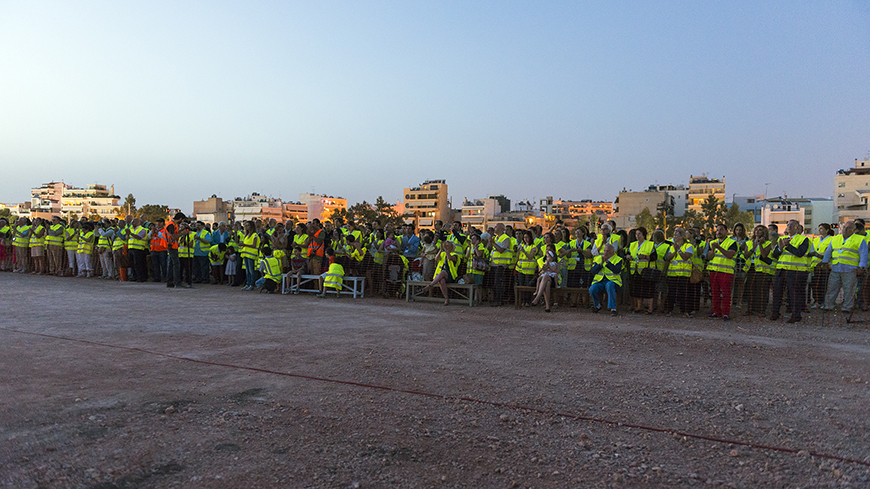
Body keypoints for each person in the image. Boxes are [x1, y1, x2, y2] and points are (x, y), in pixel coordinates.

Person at [822, 221, 867, 313]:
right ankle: (828, 305)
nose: (845, 230)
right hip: (835, 267)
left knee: (849, 289)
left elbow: (864, 254)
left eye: (848, 228)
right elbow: (828, 251)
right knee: (832, 287)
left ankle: (847, 307)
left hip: (850, 269)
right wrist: (825, 262)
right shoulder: (835, 238)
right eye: (844, 227)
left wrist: (861, 267)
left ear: (854, 230)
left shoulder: (859, 239)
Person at [770, 219, 811, 323]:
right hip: (781, 270)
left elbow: (800, 253)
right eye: (788, 225)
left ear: (798, 228)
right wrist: (780, 248)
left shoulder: (803, 240)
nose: (789, 226)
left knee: (794, 294)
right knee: (777, 293)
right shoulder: (782, 238)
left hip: (795, 271)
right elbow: (774, 254)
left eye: (792, 225)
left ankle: (795, 315)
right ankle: (775, 313)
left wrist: (787, 246)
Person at [706, 223, 738, 320]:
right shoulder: (713, 242)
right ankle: (716, 312)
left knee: (726, 293)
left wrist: (719, 248)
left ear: (726, 231)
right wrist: (713, 248)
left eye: (721, 230)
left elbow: (730, 255)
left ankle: (726, 313)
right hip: (714, 271)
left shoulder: (732, 242)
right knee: (714, 293)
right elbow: (709, 256)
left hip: (726, 271)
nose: (718, 232)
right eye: (717, 230)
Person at [744, 225, 774, 318]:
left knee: (762, 291)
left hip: (762, 270)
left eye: (760, 230)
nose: (757, 231)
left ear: (764, 232)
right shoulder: (749, 242)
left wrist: (760, 244)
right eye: (756, 229)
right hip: (751, 268)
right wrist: (753, 247)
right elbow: (746, 255)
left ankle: (761, 310)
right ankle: (750, 309)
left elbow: (764, 255)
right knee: (751, 289)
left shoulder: (768, 243)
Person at [664, 227, 693, 317]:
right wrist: (674, 251)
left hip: (684, 274)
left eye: (677, 233)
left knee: (683, 293)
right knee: (671, 293)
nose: (675, 235)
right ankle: (669, 310)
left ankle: (685, 311)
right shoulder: (672, 246)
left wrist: (679, 250)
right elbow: (668, 258)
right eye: (674, 233)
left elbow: (685, 257)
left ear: (682, 236)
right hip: (672, 273)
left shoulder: (688, 246)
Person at [420, 240, 460, 306]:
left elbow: (450, 258)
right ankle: (446, 298)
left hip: (451, 276)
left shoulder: (455, 255)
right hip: (440, 276)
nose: (446, 247)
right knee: (442, 281)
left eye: (448, 246)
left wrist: (446, 250)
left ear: (452, 247)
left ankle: (430, 285)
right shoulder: (442, 254)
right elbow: (436, 258)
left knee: (443, 272)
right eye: (445, 246)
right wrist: (440, 250)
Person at [588, 244, 623, 316]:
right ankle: (597, 305)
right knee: (592, 289)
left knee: (609, 285)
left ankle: (613, 309)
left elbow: (617, 270)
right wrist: (601, 264)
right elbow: (593, 271)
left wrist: (608, 263)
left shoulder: (618, 259)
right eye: (604, 250)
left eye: (608, 251)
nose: (605, 252)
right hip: (600, 281)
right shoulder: (598, 258)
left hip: (613, 281)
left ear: (613, 252)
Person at [629, 227, 655, 314]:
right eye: (636, 234)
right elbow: (628, 254)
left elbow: (654, 257)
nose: (637, 236)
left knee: (648, 289)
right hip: (635, 270)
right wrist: (627, 256)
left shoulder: (650, 244)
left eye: (639, 234)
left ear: (644, 235)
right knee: (637, 290)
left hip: (646, 270)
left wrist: (645, 257)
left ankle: (650, 309)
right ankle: (638, 307)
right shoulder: (633, 244)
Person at [809, 223, 834, 308]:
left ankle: (821, 301)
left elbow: (830, 254)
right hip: (814, 266)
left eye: (822, 228)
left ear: (827, 230)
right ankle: (816, 300)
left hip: (824, 266)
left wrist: (817, 255)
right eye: (819, 228)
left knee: (822, 285)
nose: (819, 230)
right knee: (814, 284)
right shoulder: (815, 240)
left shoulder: (831, 240)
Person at [531, 243, 559, 312]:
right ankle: (547, 306)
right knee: (547, 283)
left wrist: (549, 266)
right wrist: (544, 269)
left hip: (553, 279)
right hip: (544, 279)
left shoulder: (556, 262)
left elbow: (557, 271)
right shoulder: (542, 261)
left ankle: (538, 297)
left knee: (547, 280)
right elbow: (540, 272)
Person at [240, 220, 261, 291]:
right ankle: (248, 283)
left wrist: (244, 245)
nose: (246, 227)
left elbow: (254, 245)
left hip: (251, 255)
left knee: (251, 270)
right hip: (246, 254)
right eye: (245, 225)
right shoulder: (246, 235)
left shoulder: (254, 235)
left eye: (248, 225)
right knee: (247, 270)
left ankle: (251, 284)